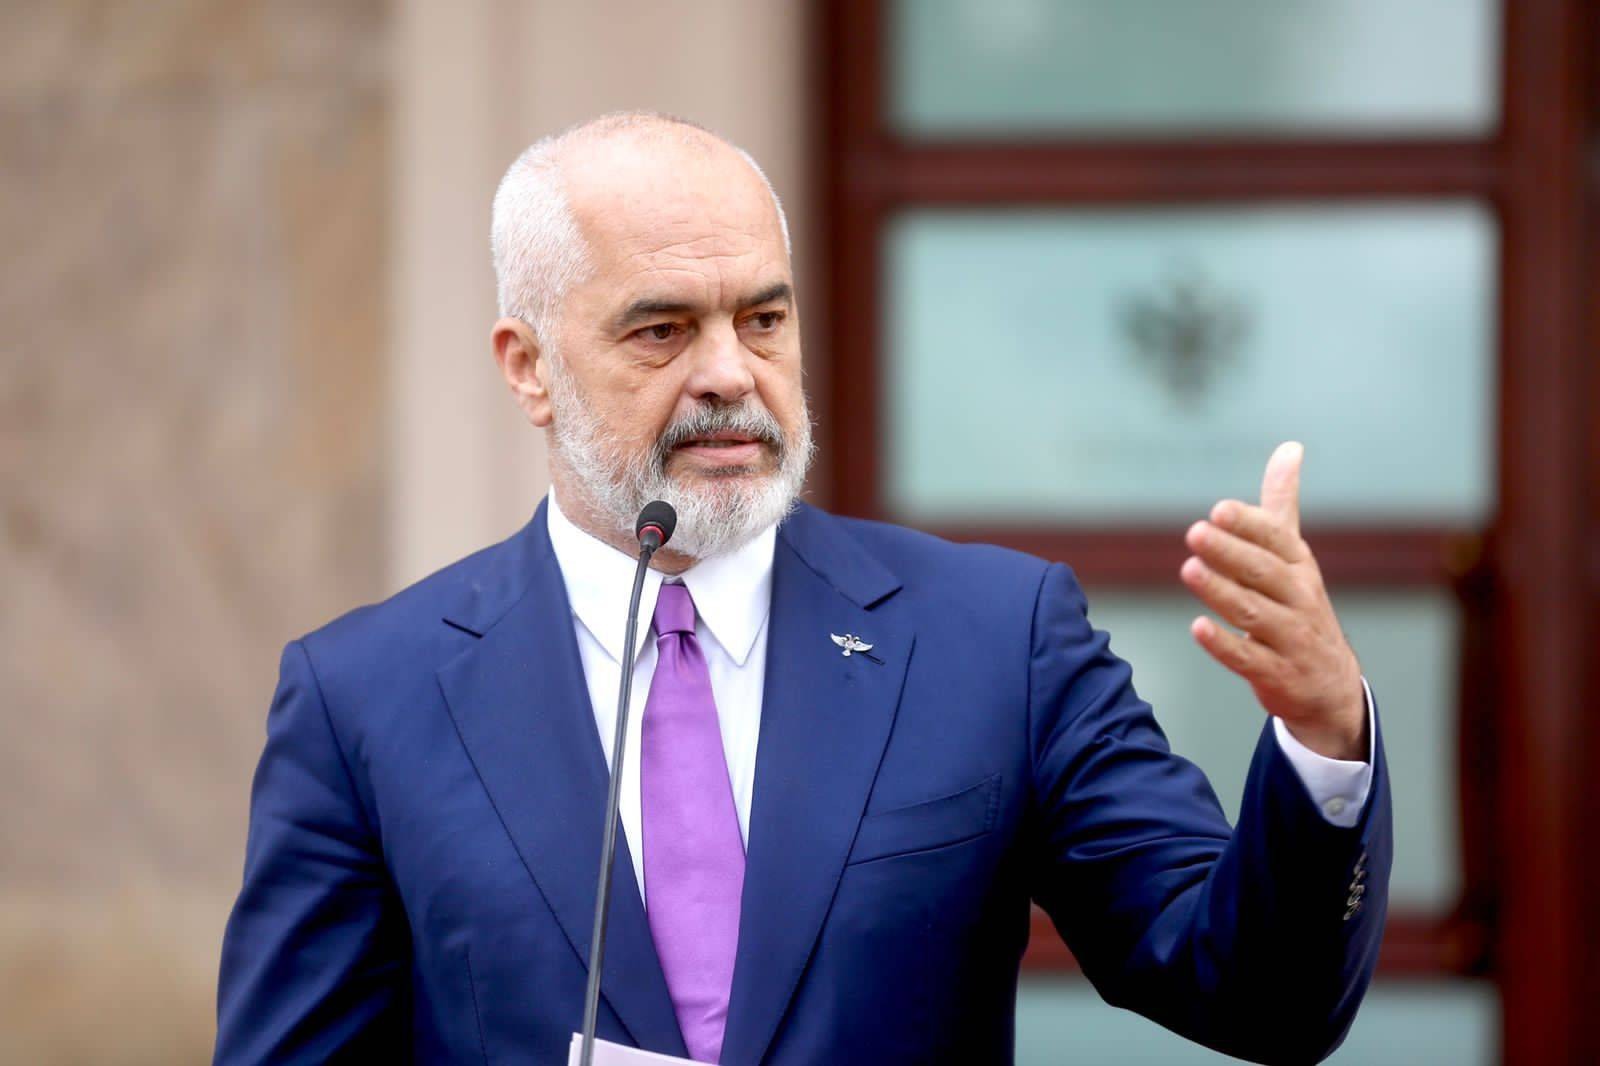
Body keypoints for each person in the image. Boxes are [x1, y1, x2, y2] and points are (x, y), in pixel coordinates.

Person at [214, 112, 1389, 1065]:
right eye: (661, 331)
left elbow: (1255, 997)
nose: (730, 374)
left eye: (763, 318)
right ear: (528, 367)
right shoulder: (364, 698)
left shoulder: (993, 639)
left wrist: (1323, 733)